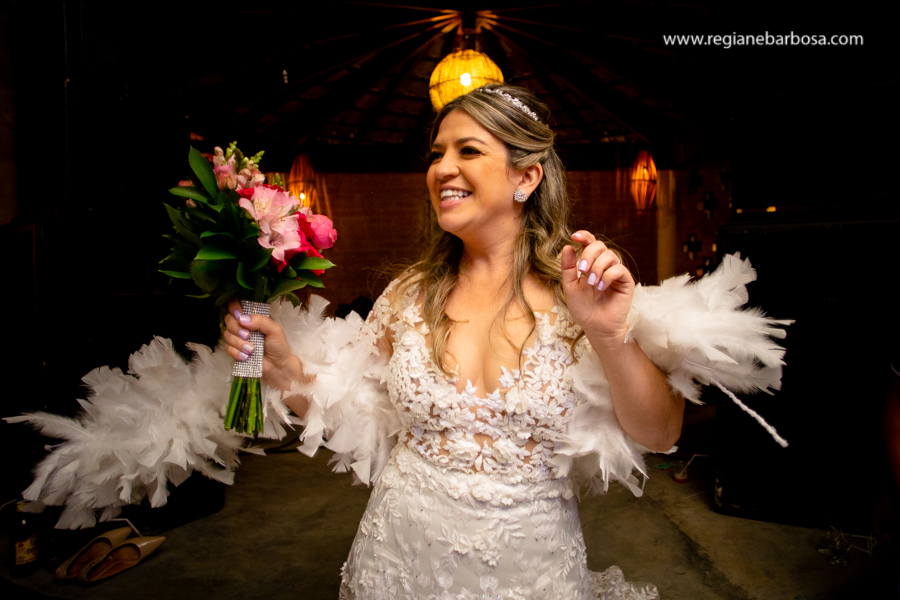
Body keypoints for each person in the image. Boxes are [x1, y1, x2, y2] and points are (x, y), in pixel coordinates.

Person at [222, 84, 685, 599]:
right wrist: (286, 369)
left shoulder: (584, 295)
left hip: (533, 575)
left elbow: (661, 435)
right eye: (437, 153)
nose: (442, 168)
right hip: (396, 563)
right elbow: (352, 414)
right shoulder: (406, 296)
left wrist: (607, 333)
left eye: (468, 150)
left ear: (526, 177)